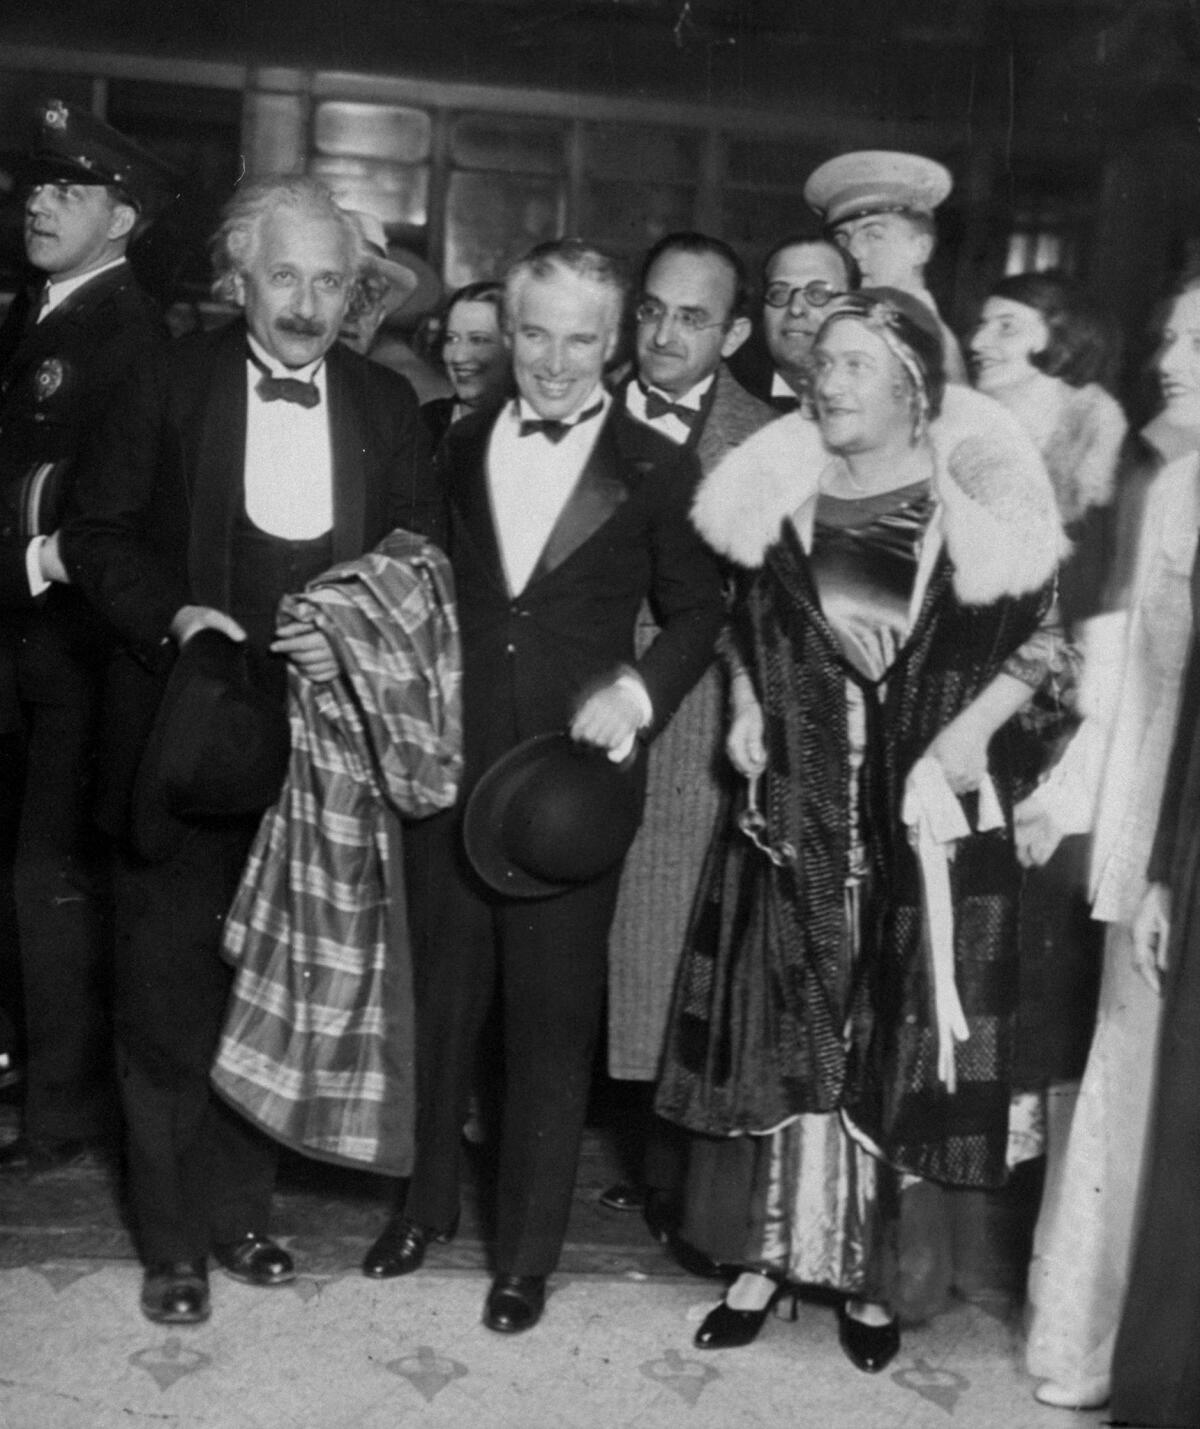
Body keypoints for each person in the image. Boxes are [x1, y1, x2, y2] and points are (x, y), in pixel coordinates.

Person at [655, 288, 1063, 1372]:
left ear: (911, 384)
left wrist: (968, 740)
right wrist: (745, 704)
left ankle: (876, 1282)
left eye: (849, 364)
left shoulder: (965, 501)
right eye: (821, 362)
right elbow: (746, 629)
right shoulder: (780, 493)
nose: (823, 380)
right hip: (795, 809)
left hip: (912, 812)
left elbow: (1041, 643)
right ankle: (764, 1258)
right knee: (779, 1019)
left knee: (892, 1035)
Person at [61, 173, 441, 1326]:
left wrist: (362, 642)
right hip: (180, 739)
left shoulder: (383, 406)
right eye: (286, 275)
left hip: (321, 761)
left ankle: (239, 1214)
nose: (307, 302)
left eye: (331, 280)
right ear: (240, 276)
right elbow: (97, 534)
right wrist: (173, 618)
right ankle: (171, 1241)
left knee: (269, 994)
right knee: (166, 994)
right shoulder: (162, 382)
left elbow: (424, 562)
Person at [360, 239, 725, 1334]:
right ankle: (421, 1205)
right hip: (448, 765)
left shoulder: (660, 466)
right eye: (536, 333)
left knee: (550, 1021)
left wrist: (640, 692)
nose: (556, 360)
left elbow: (701, 613)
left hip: (570, 789)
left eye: (581, 338)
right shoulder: (455, 439)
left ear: (613, 345)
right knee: (438, 1003)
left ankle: (525, 1254)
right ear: (506, 334)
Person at [1015, 273, 1200, 1413]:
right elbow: (1135, 663)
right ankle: (1112, 1347)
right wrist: (1075, 798)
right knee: (1134, 1082)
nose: (1167, 355)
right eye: (1170, 330)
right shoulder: (1176, 487)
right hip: (1161, 810)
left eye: (1195, 338)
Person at [0, 99, 175, 1177]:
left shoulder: (125, 336)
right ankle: (29, 1067)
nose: (39, 200)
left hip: (65, 654)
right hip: (22, 646)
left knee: (49, 882)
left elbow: (97, 513)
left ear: (126, 217)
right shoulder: (41, 314)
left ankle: (59, 1111)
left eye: (69, 188)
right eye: (36, 184)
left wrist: (26, 549)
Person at [601, 232, 776, 1237]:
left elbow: (762, 606)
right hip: (567, 705)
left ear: (737, 332)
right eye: (654, 310)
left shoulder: (764, 440)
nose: (665, 333)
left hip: (696, 720)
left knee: (666, 947)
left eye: (695, 317)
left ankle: (661, 1168)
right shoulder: (574, 400)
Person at [804, 150, 968, 383]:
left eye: (873, 235)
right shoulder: (859, 324)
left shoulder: (924, 342)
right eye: (842, 238)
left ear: (920, 249)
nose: (853, 252)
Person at [740, 235, 857, 411]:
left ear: (853, 306)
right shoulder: (726, 397)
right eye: (779, 293)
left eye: (817, 294)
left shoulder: (885, 407)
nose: (795, 309)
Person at [420, 280, 511, 446]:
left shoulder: (534, 435)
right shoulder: (423, 423)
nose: (459, 357)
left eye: (478, 340)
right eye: (451, 339)